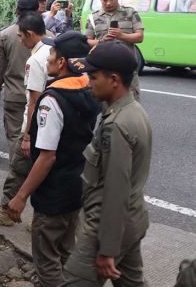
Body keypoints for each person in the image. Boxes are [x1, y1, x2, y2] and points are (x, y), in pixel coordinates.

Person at [6, 32, 100, 286]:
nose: (47, 58)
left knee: (47, 259)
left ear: (62, 63)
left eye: (52, 54)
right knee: (68, 251)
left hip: (54, 191)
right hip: (78, 183)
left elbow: (46, 157)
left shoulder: (52, 99)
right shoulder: (88, 89)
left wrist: (21, 196)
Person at [61, 41, 152, 286]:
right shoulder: (133, 110)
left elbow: (116, 189)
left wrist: (108, 249)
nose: (88, 82)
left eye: (92, 77)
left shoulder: (117, 125)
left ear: (113, 80)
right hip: (131, 220)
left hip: (106, 226)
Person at [0, 13, 51, 226]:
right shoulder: (52, 49)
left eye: (21, 36)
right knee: (46, 174)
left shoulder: (36, 59)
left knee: (18, 169)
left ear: (29, 34)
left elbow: (34, 101)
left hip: (35, 124)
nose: (19, 41)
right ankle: (42, 220)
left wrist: (27, 135)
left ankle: (6, 211)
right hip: (50, 123)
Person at [85, 0, 144, 101]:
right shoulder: (93, 17)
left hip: (127, 69)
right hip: (105, 72)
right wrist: (101, 42)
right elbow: (87, 41)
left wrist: (121, 35)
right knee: (106, 107)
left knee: (132, 103)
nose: (108, 3)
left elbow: (140, 37)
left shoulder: (130, 13)